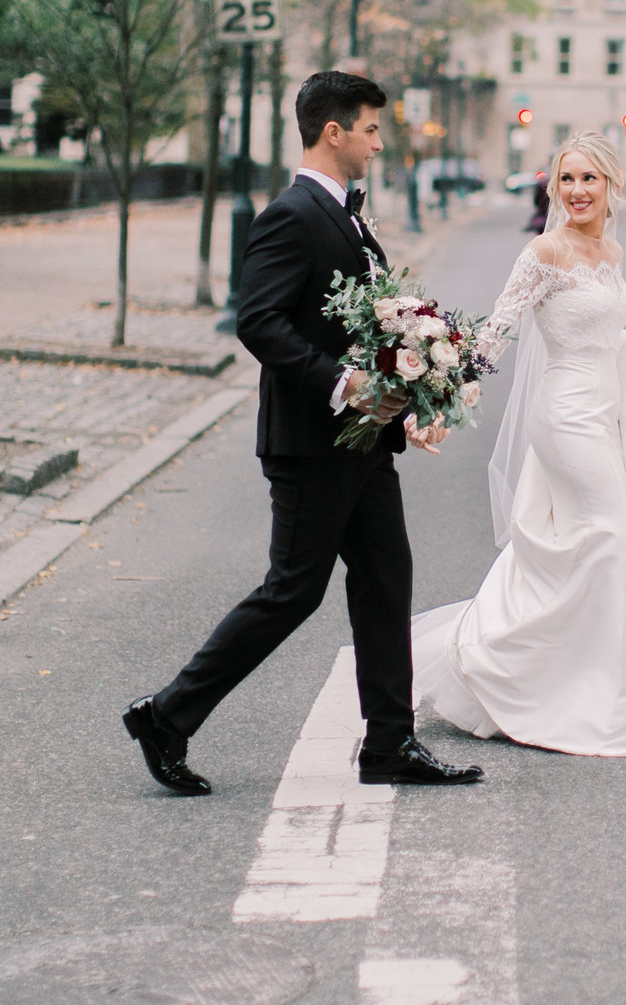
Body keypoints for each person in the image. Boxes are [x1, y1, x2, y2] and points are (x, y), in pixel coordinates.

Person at [122, 70, 482, 796]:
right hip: (311, 443)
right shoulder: (290, 215)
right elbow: (260, 321)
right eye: (373, 129)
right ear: (335, 132)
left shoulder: (350, 215)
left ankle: (389, 745)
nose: (381, 143)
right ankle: (167, 714)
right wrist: (344, 386)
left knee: (386, 582)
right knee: (292, 591)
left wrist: (404, 397)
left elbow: (368, 327)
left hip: (361, 444)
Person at [410, 130, 626, 757]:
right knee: (614, 534)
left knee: (583, 547)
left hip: (602, 414)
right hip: (564, 418)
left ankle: (536, 667)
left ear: (612, 185)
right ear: (553, 187)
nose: (577, 190)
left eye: (589, 178)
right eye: (567, 179)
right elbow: (497, 333)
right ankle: (621, 692)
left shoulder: (611, 255)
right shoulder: (545, 252)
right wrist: (441, 401)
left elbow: (603, 341)